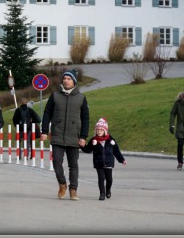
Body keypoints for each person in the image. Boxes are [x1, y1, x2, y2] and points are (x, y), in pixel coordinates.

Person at [40, 68, 89, 201]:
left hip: (74, 136)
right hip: (57, 135)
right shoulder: (55, 96)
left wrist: (83, 136)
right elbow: (47, 113)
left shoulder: (81, 98)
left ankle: (73, 190)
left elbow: (85, 118)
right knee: (56, 162)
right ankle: (62, 184)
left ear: (74, 82)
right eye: (64, 79)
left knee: (73, 165)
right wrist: (44, 131)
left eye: (69, 79)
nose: (66, 81)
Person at [80, 118, 126, 201]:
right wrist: (82, 146)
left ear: (105, 130)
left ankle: (108, 190)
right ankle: (102, 193)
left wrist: (122, 160)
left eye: (101, 130)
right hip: (99, 163)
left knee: (109, 179)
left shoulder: (110, 140)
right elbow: (88, 150)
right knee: (101, 178)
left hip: (109, 163)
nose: (99, 131)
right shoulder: (94, 140)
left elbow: (116, 151)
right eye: (97, 130)